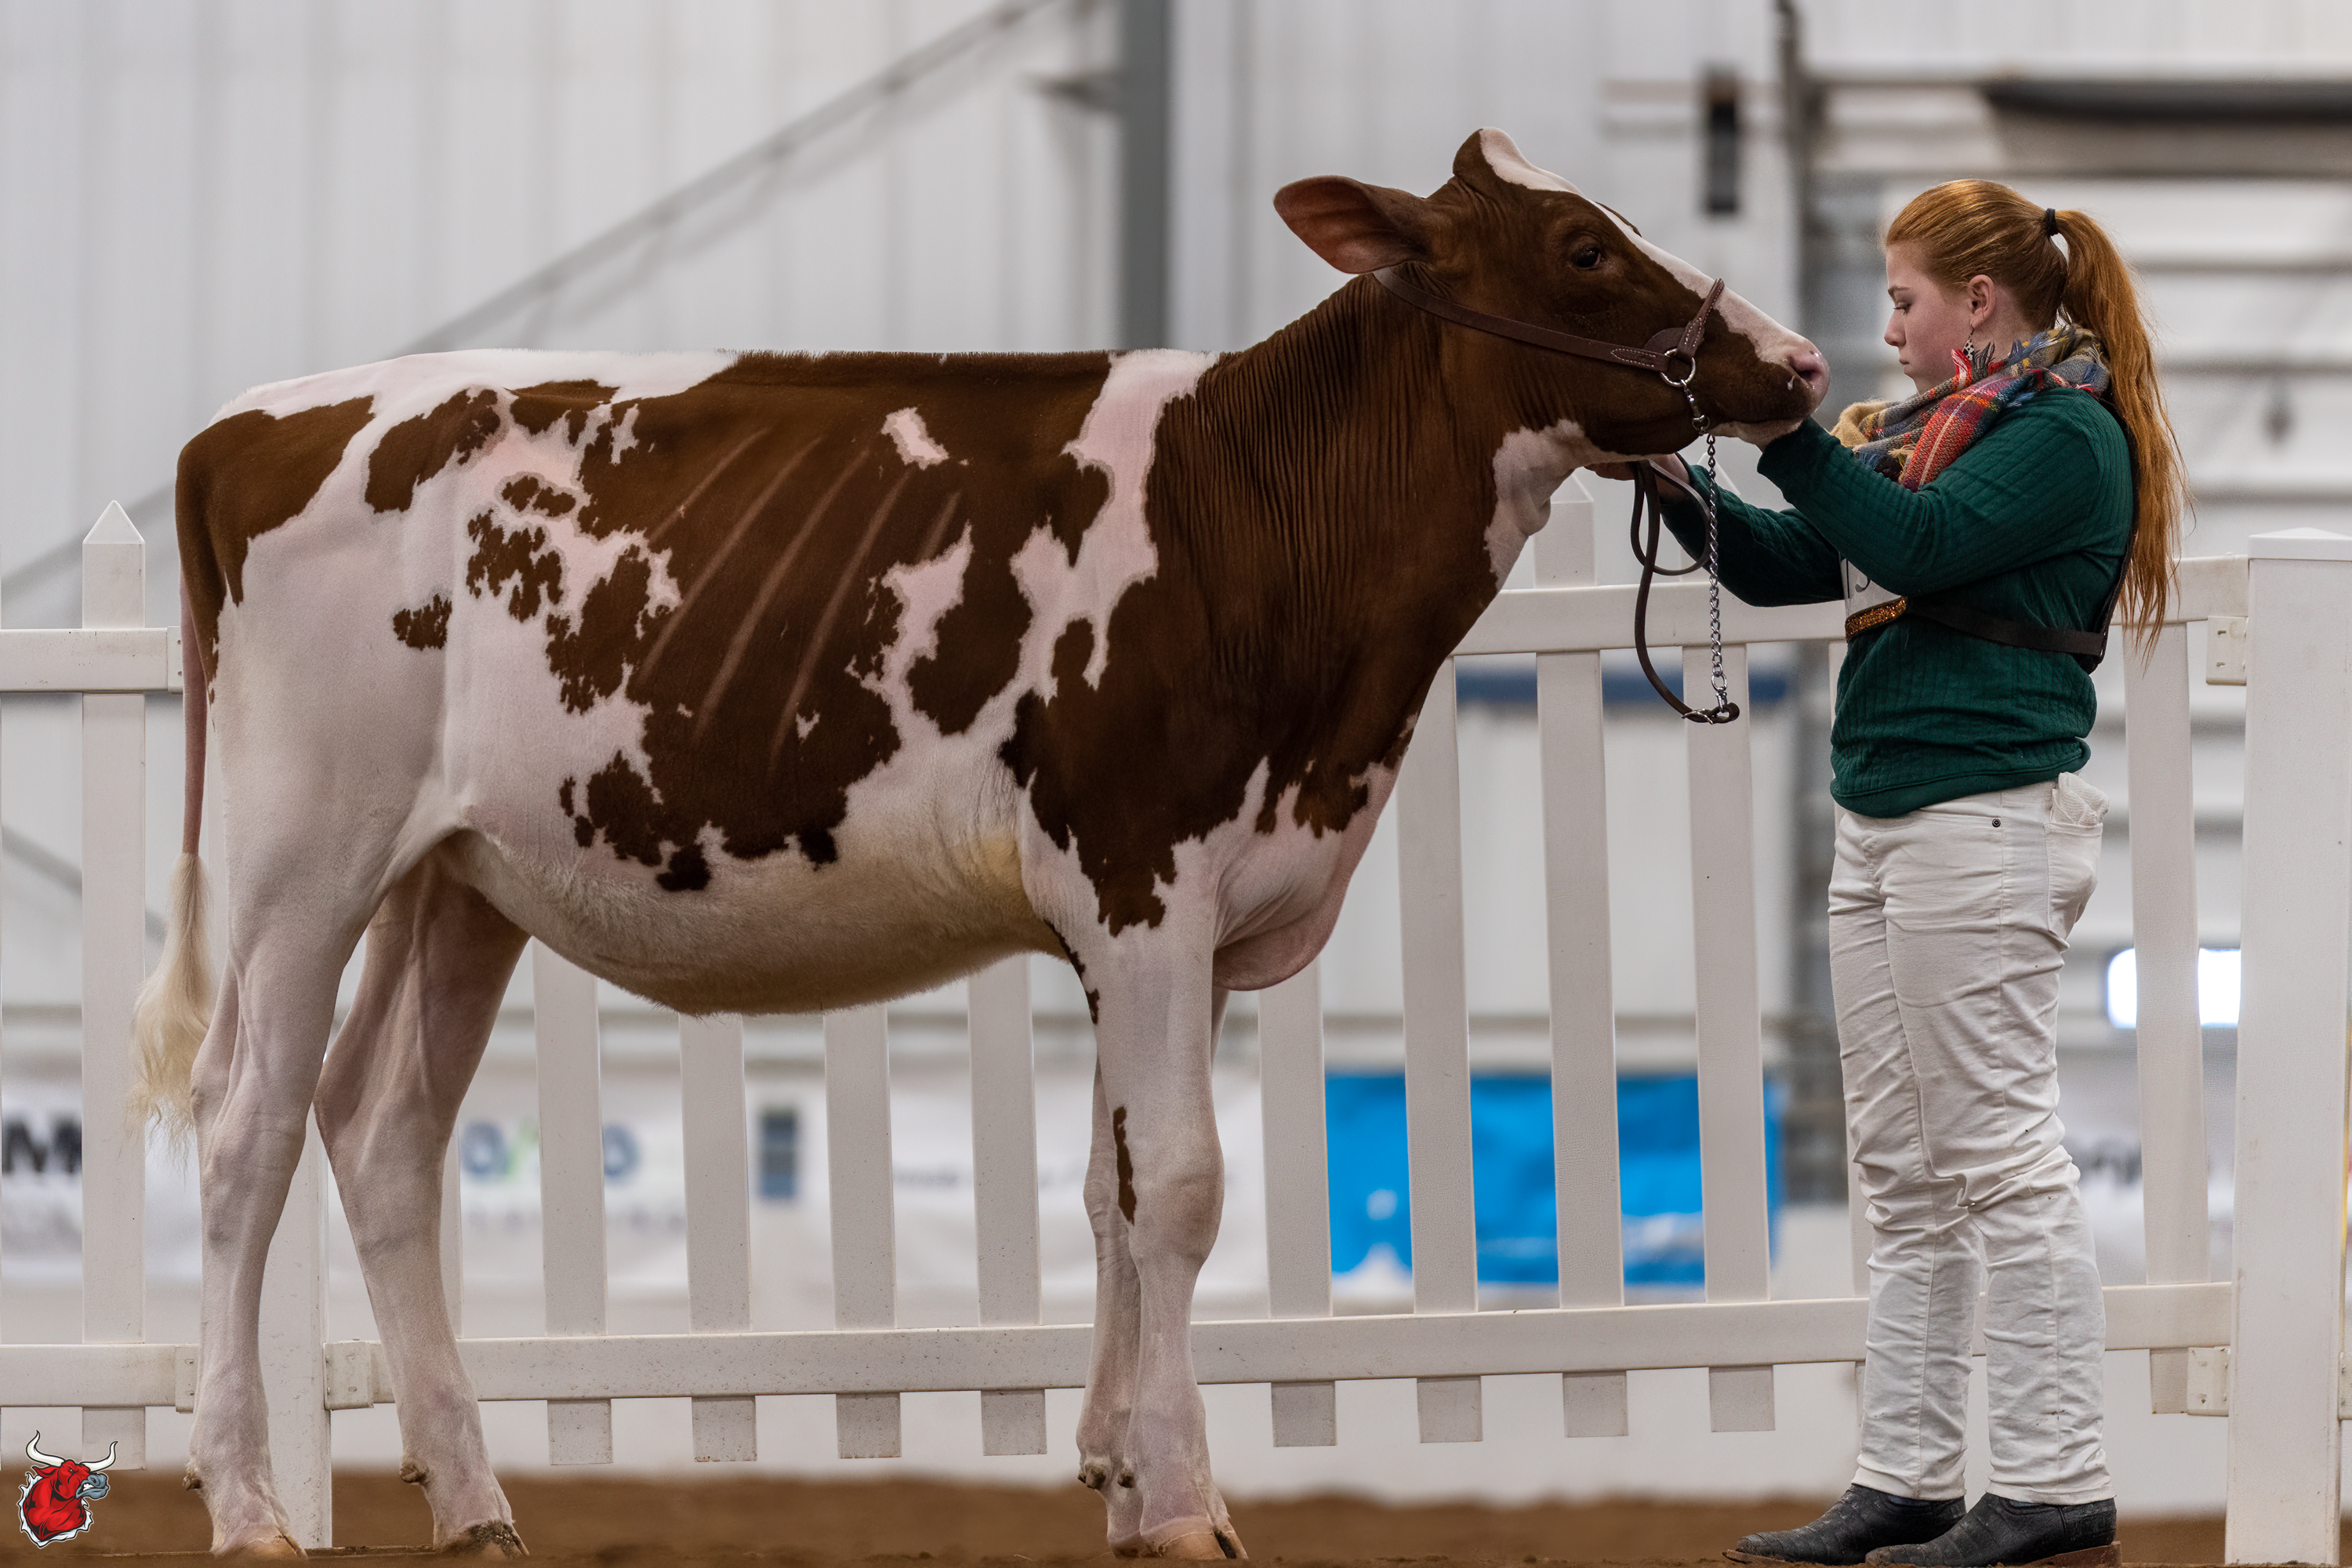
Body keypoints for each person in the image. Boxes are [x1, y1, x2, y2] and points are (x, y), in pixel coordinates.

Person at [1600, 181, 2184, 1568]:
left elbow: (1916, 548)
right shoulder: (1929, 440)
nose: (1889, 326)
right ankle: (1909, 1478)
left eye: (1905, 299)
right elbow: (1793, 563)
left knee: (1994, 1157)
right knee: (1910, 1173)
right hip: (1899, 822)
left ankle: (2053, 1482)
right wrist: (1674, 481)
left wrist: (1788, 433)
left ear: (1977, 302)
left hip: (1979, 821)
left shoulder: (2064, 440)